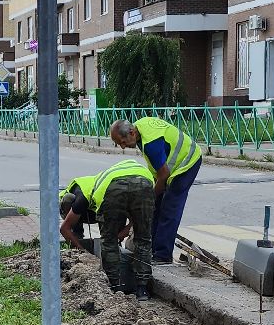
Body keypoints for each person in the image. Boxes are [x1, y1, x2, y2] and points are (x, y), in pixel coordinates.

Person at [59, 157, 157, 300]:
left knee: (109, 242)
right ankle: (142, 290)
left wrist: (83, 252)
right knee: (143, 238)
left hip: (113, 187)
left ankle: (114, 286)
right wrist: (127, 229)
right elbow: (136, 218)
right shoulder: (95, 183)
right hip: (144, 181)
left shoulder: (82, 196)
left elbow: (65, 228)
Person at [110, 116, 202, 264]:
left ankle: (163, 255)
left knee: (169, 208)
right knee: (155, 208)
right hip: (171, 168)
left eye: (122, 142)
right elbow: (159, 169)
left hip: (187, 162)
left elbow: (164, 175)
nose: (122, 147)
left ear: (132, 133)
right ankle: (151, 249)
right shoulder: (139, 127)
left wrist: (149, 198)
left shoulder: (151, 143)